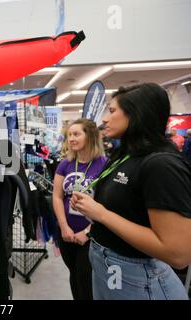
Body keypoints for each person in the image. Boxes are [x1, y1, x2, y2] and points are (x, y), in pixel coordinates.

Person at [70, 83, 191, 300]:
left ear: (136, 114)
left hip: (136, 277)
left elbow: (177, 253)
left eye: (113, 110)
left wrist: (101, 214)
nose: (105, 118)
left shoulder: (161, 165)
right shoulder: (124, 155)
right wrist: (91, 208)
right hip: (107, 265)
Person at [52, 118, 107, 300]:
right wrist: (64, 226)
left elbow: (108, 205)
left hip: (91, 235)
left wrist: (88, 232)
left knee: (86, 281)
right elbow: (57, 196)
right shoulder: (65, 164)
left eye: (76, 134)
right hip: (66, 233)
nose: (72, 139)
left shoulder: (104, 164)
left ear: (90, 136)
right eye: (69, 135)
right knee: (74, 275)